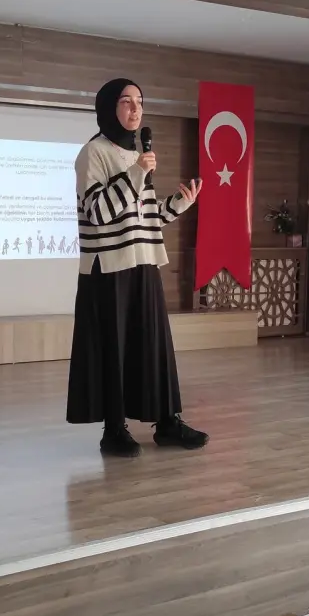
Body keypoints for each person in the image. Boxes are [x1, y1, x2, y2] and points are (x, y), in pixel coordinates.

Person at [66, 78, 207, 457]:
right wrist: (136, 174)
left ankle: (167, 422)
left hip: (144, 261)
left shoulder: (136, 156)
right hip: (109, 268)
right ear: (108, 107)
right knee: (114, 349)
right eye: (126, 102)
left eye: (140, 102)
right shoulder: (93, 153)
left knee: (154, 345)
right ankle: (114, 429)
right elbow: (98, 212)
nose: (135, 109)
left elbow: (142, 218)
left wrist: (179, 203)